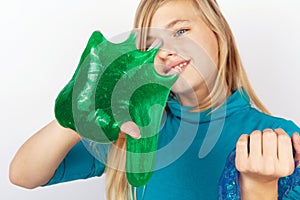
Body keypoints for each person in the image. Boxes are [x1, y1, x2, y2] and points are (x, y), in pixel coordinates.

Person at [9, 0, 300, 199]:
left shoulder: (281, 138)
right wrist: (83, 107)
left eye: (181, 30)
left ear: (219, 33)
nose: (166, 50)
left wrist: (260, 186)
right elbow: (24, 175)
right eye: (152, 44)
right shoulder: (134, 130)